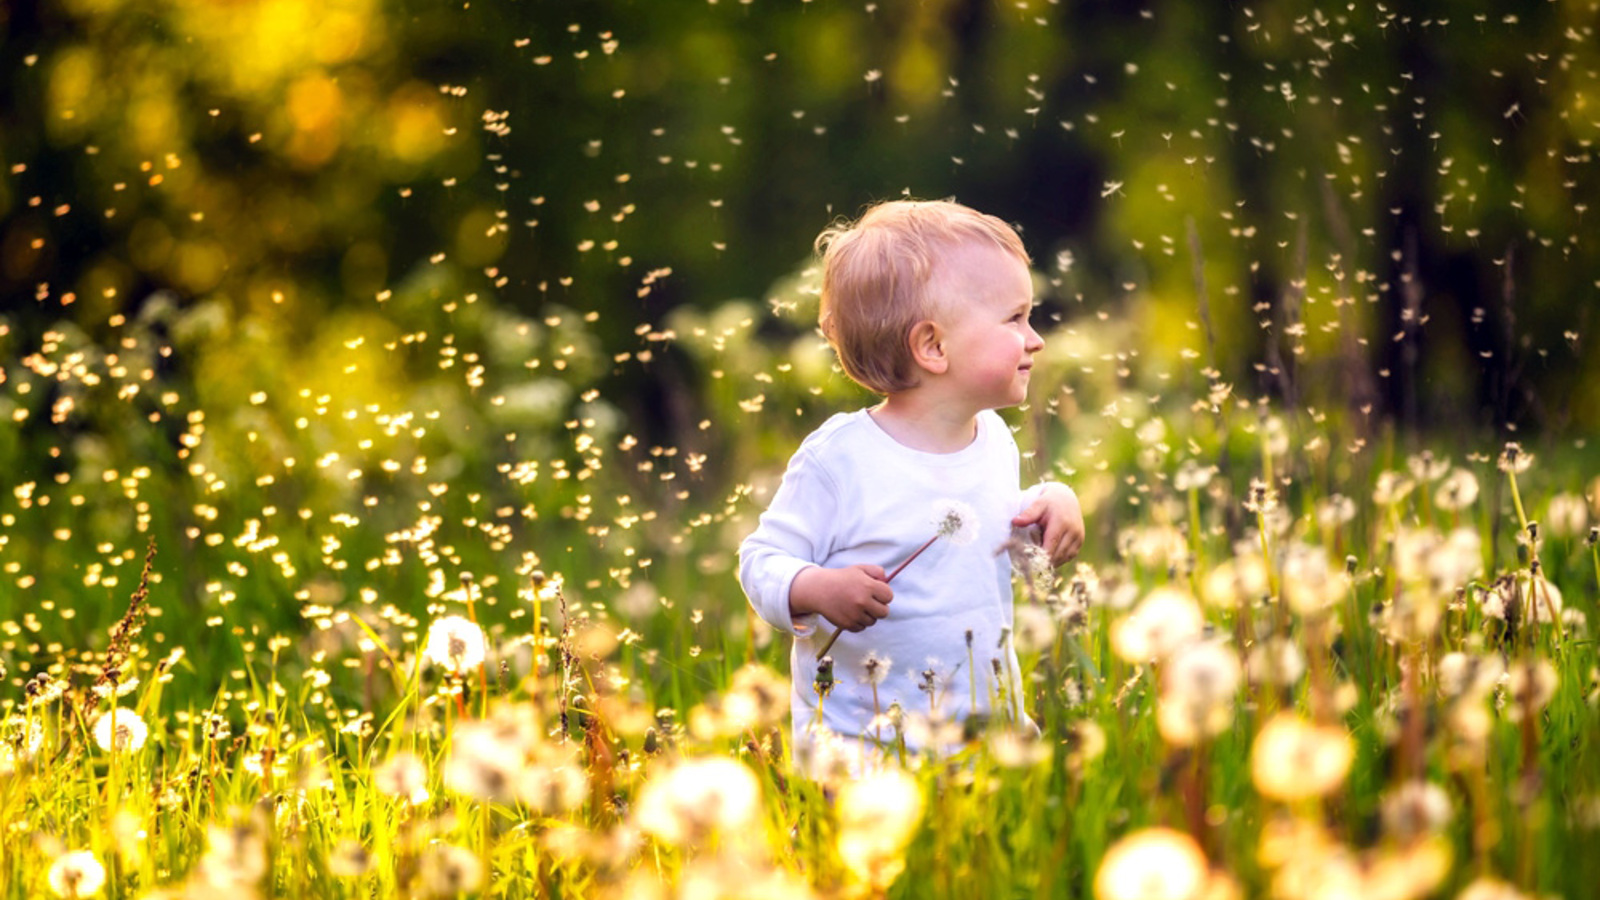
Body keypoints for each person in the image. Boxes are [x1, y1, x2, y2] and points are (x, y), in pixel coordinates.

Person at [738, 199, 1084, 772]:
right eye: (1015, 319)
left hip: (983, 749)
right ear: (933, 346)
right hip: (862, 760)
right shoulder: (841, 459)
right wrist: (816, 588)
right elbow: (760, 560)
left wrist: (1052, 507)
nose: (1036, 338)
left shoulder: (993, 440)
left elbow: (972, 547)